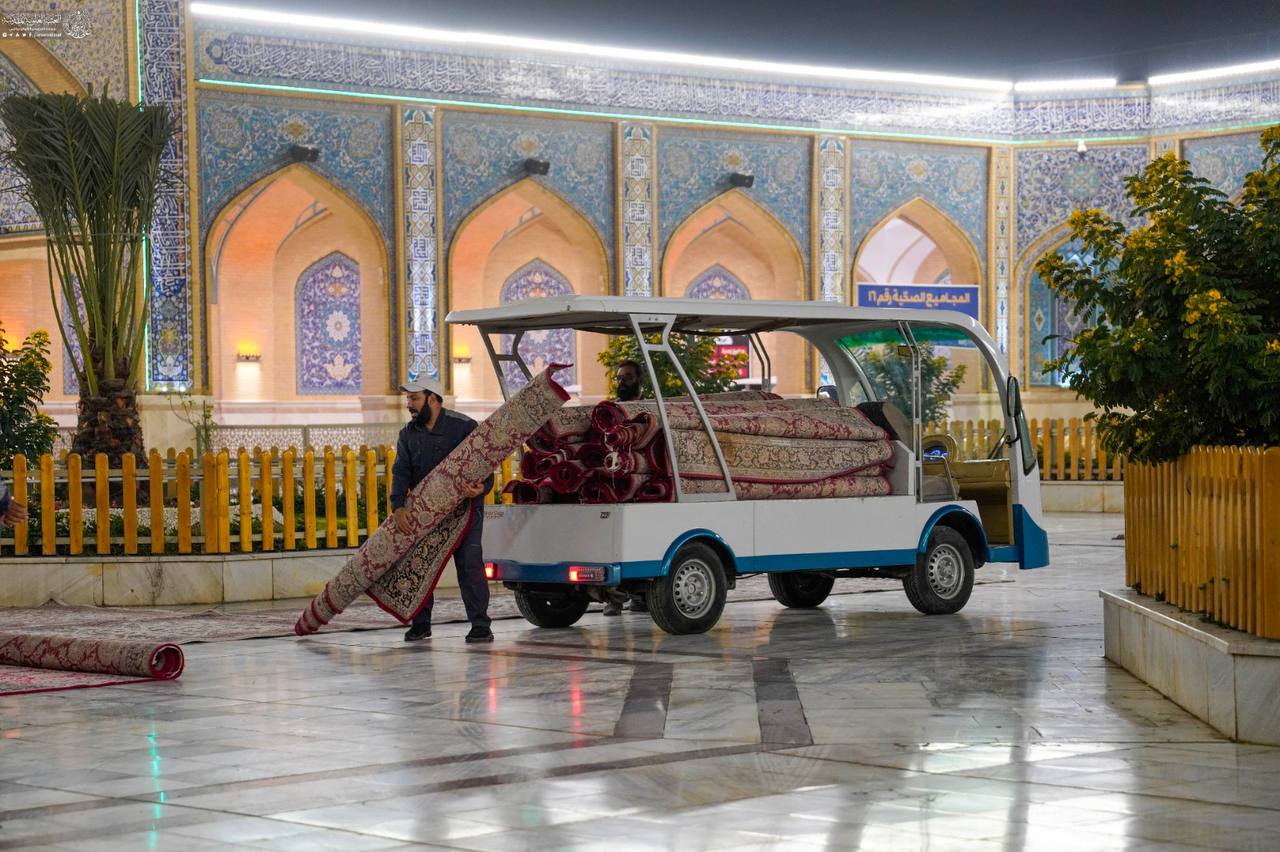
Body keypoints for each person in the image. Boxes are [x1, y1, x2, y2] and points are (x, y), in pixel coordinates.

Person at [391, 376, 495, 644]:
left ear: (433, 398)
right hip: (427, 514)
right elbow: (401, 471)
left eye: (414, 398)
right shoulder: (407, 434)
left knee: (469, 565)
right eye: (408, 399)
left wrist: (481, 487)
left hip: (465, 512)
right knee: (419, 565)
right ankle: (421, 624)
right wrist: (398, 506)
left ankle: (481, 625)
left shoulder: (463, 427)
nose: (409, 405)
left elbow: (485, 464)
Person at [603, 361, 649, 617]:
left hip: (643, 489)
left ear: (639, 380)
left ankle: (640, 596)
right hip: (615, 486)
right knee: (614, 546)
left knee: (641, 544)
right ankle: (614, 600)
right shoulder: (611, 410)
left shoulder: (648, 409)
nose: (622, 382)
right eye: (619, 377)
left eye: (628, 377)